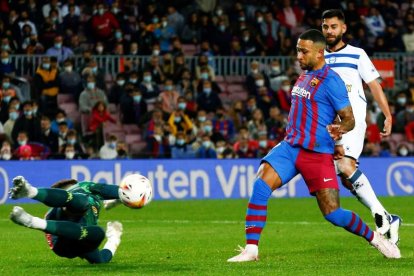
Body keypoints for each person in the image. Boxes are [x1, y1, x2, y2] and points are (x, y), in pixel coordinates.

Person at [227, 29, 400, 263]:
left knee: (334, 214)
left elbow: (349, 118)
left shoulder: (332, 81)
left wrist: (338, 133)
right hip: (290, 148)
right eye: (298, 50)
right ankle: (251, 250)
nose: (298, 55)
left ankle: (376, 239)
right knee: (260, 186)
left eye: (303, 51)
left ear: (319, 53)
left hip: (317, 154)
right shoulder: (305, 74)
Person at [321, 9, 401, 244]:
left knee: (345, 165)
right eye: (325, 27)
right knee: (346, 177)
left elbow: (374, 85)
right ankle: (389, 217)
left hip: (352, 119)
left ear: (343, 28)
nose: (329, 31)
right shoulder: (319, 57)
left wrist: (387, 115)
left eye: (334, 26)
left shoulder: (357, 54)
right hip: (329, 125)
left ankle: (382, 216)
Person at [9, 176, 123, 264]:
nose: (76, 189)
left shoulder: (90, 191)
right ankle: (30, 196)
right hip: (63, 243)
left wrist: (114, 236)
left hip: (80, 239)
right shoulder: (52, 214)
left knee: (99, 237)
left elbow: (115, 191)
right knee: (81, 202)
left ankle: (114, 237)